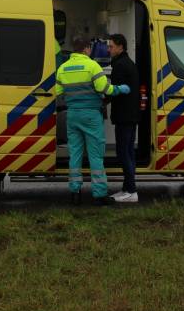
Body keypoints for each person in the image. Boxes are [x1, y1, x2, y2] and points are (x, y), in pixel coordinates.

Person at [56, 36, 130, 206]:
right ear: (87, 49)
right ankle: (99, 194)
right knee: (95, 155)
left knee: (74, 154)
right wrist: (121, 89)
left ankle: (75, 193)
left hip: (72, 115)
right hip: (91, 116)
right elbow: (104, 88)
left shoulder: (63, 68)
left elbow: (59, 92)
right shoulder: (92, 65)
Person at [107, 34, 140, 203]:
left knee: (123, 153)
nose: (109, 49)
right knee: (129, 153)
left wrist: (102, 100)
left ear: (120, 47)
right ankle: (127, 188)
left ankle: (131, 190)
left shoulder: (120, 65)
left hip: (124, 116)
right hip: (131, 116)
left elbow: (115, 91)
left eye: (111, 46)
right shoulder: (129, 63)